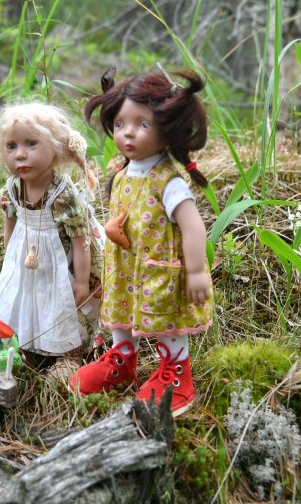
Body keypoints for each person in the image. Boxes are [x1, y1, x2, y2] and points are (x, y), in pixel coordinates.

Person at [69, 68, 213, 417]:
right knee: (120, 313)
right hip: (125, 266)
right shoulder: (122, 174)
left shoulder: (168, 181)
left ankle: (177, 372)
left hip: (160, 269)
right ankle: (122, 360)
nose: (128, 132)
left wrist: (196, 271)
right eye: (120, 124)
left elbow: (193, 227)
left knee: (167, 318)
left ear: (167, 127)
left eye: (142, 124)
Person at [0, 102, 104, 376]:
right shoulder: (13, 189)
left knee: (60, 302)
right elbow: (10, 224)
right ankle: (31, 343)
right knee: (29, 298)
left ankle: (70, 352)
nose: (20, 154)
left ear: (56, 148)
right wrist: (10, 260)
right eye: (11, 146)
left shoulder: (62, 194)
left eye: (31, 143)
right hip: (26, 259)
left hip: (61, 262)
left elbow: (80, 239)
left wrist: (81, 280)